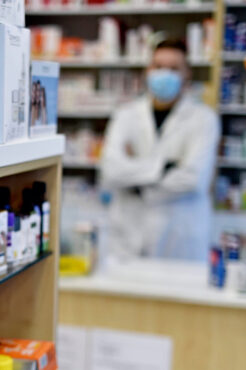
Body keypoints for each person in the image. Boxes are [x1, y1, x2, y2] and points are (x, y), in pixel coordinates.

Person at [100, 39, 219, 261]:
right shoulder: (125, 115)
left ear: (187, 74)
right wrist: (165, 168)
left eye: (173, 68)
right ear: (147, 70)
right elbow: (110, 172)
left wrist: (135, 180)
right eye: (158, 66)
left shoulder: (204, 119)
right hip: (128, 235)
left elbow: (194, 179)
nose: (164, 74)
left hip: (179, 237)